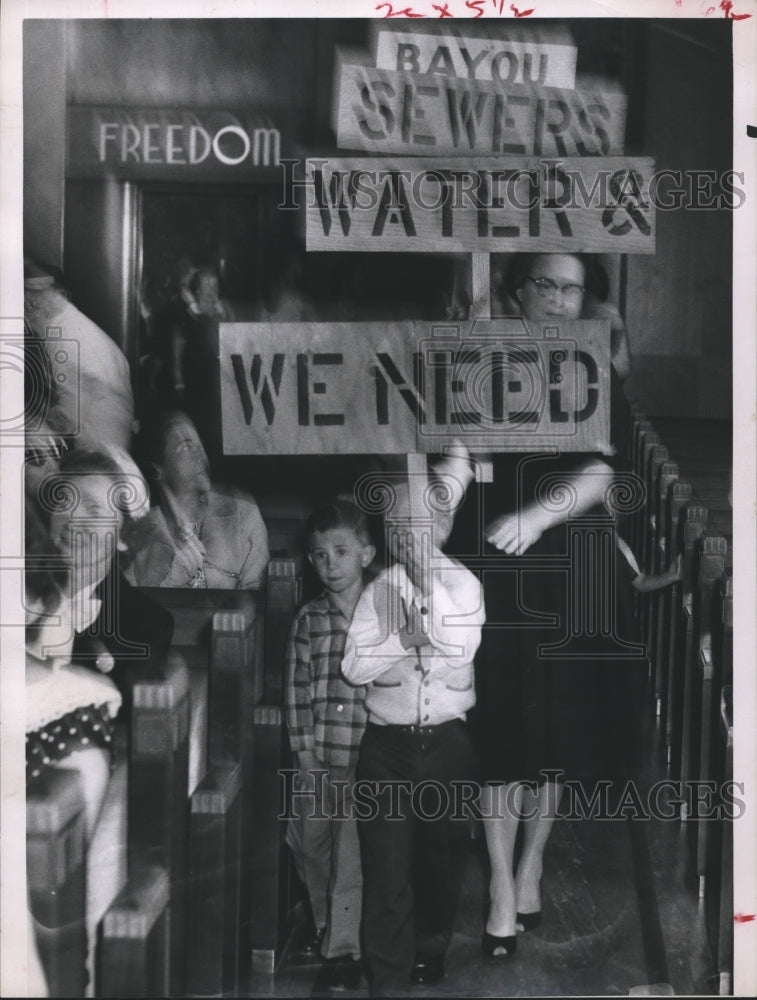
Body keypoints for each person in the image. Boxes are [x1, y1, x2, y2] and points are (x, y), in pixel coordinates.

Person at [446, 252, 646, 961]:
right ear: (517, 290)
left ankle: (531, 863)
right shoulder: (478, 362)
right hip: (490, 563)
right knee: (497, 726)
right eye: (546, 285)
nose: (560, 300)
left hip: (566, 563)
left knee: (553, 737)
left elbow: (603, 470)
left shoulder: (595, 371)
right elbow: (454, 452)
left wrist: (536, 517)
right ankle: (499, 884)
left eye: (572, 288)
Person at [341, 467, 484, 997]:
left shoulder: (465, 584)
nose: (406, 535)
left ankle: (430, 945)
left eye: (418, 523)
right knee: (386, 872)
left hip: (446, 746)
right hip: (388, 749)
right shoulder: (378, 589)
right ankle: (388, 979)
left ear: (443, 527)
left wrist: (429, 594)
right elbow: (354, 667)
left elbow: (461, 647)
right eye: (396, 524)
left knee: (440, 860)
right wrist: (401, 640)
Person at [284, 500, 376, 993]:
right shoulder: (308, 619)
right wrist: (303, 753)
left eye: (341, 551)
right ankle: (324, 921)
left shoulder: (382, 610)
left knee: (350, 855)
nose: (330, 564)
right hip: (318, 758)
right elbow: (296, 691)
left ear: (366, 553)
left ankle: (343, 948)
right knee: (307, 842)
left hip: (365, 757)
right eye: (319, 556)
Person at [127, 409, 269, 589]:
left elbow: (256, 595)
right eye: (186, 447)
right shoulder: (139, 531)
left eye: (198, 442)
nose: (200, 452)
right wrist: (173, 581)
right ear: (158, 469)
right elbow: (136, 607)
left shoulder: (241, 509)